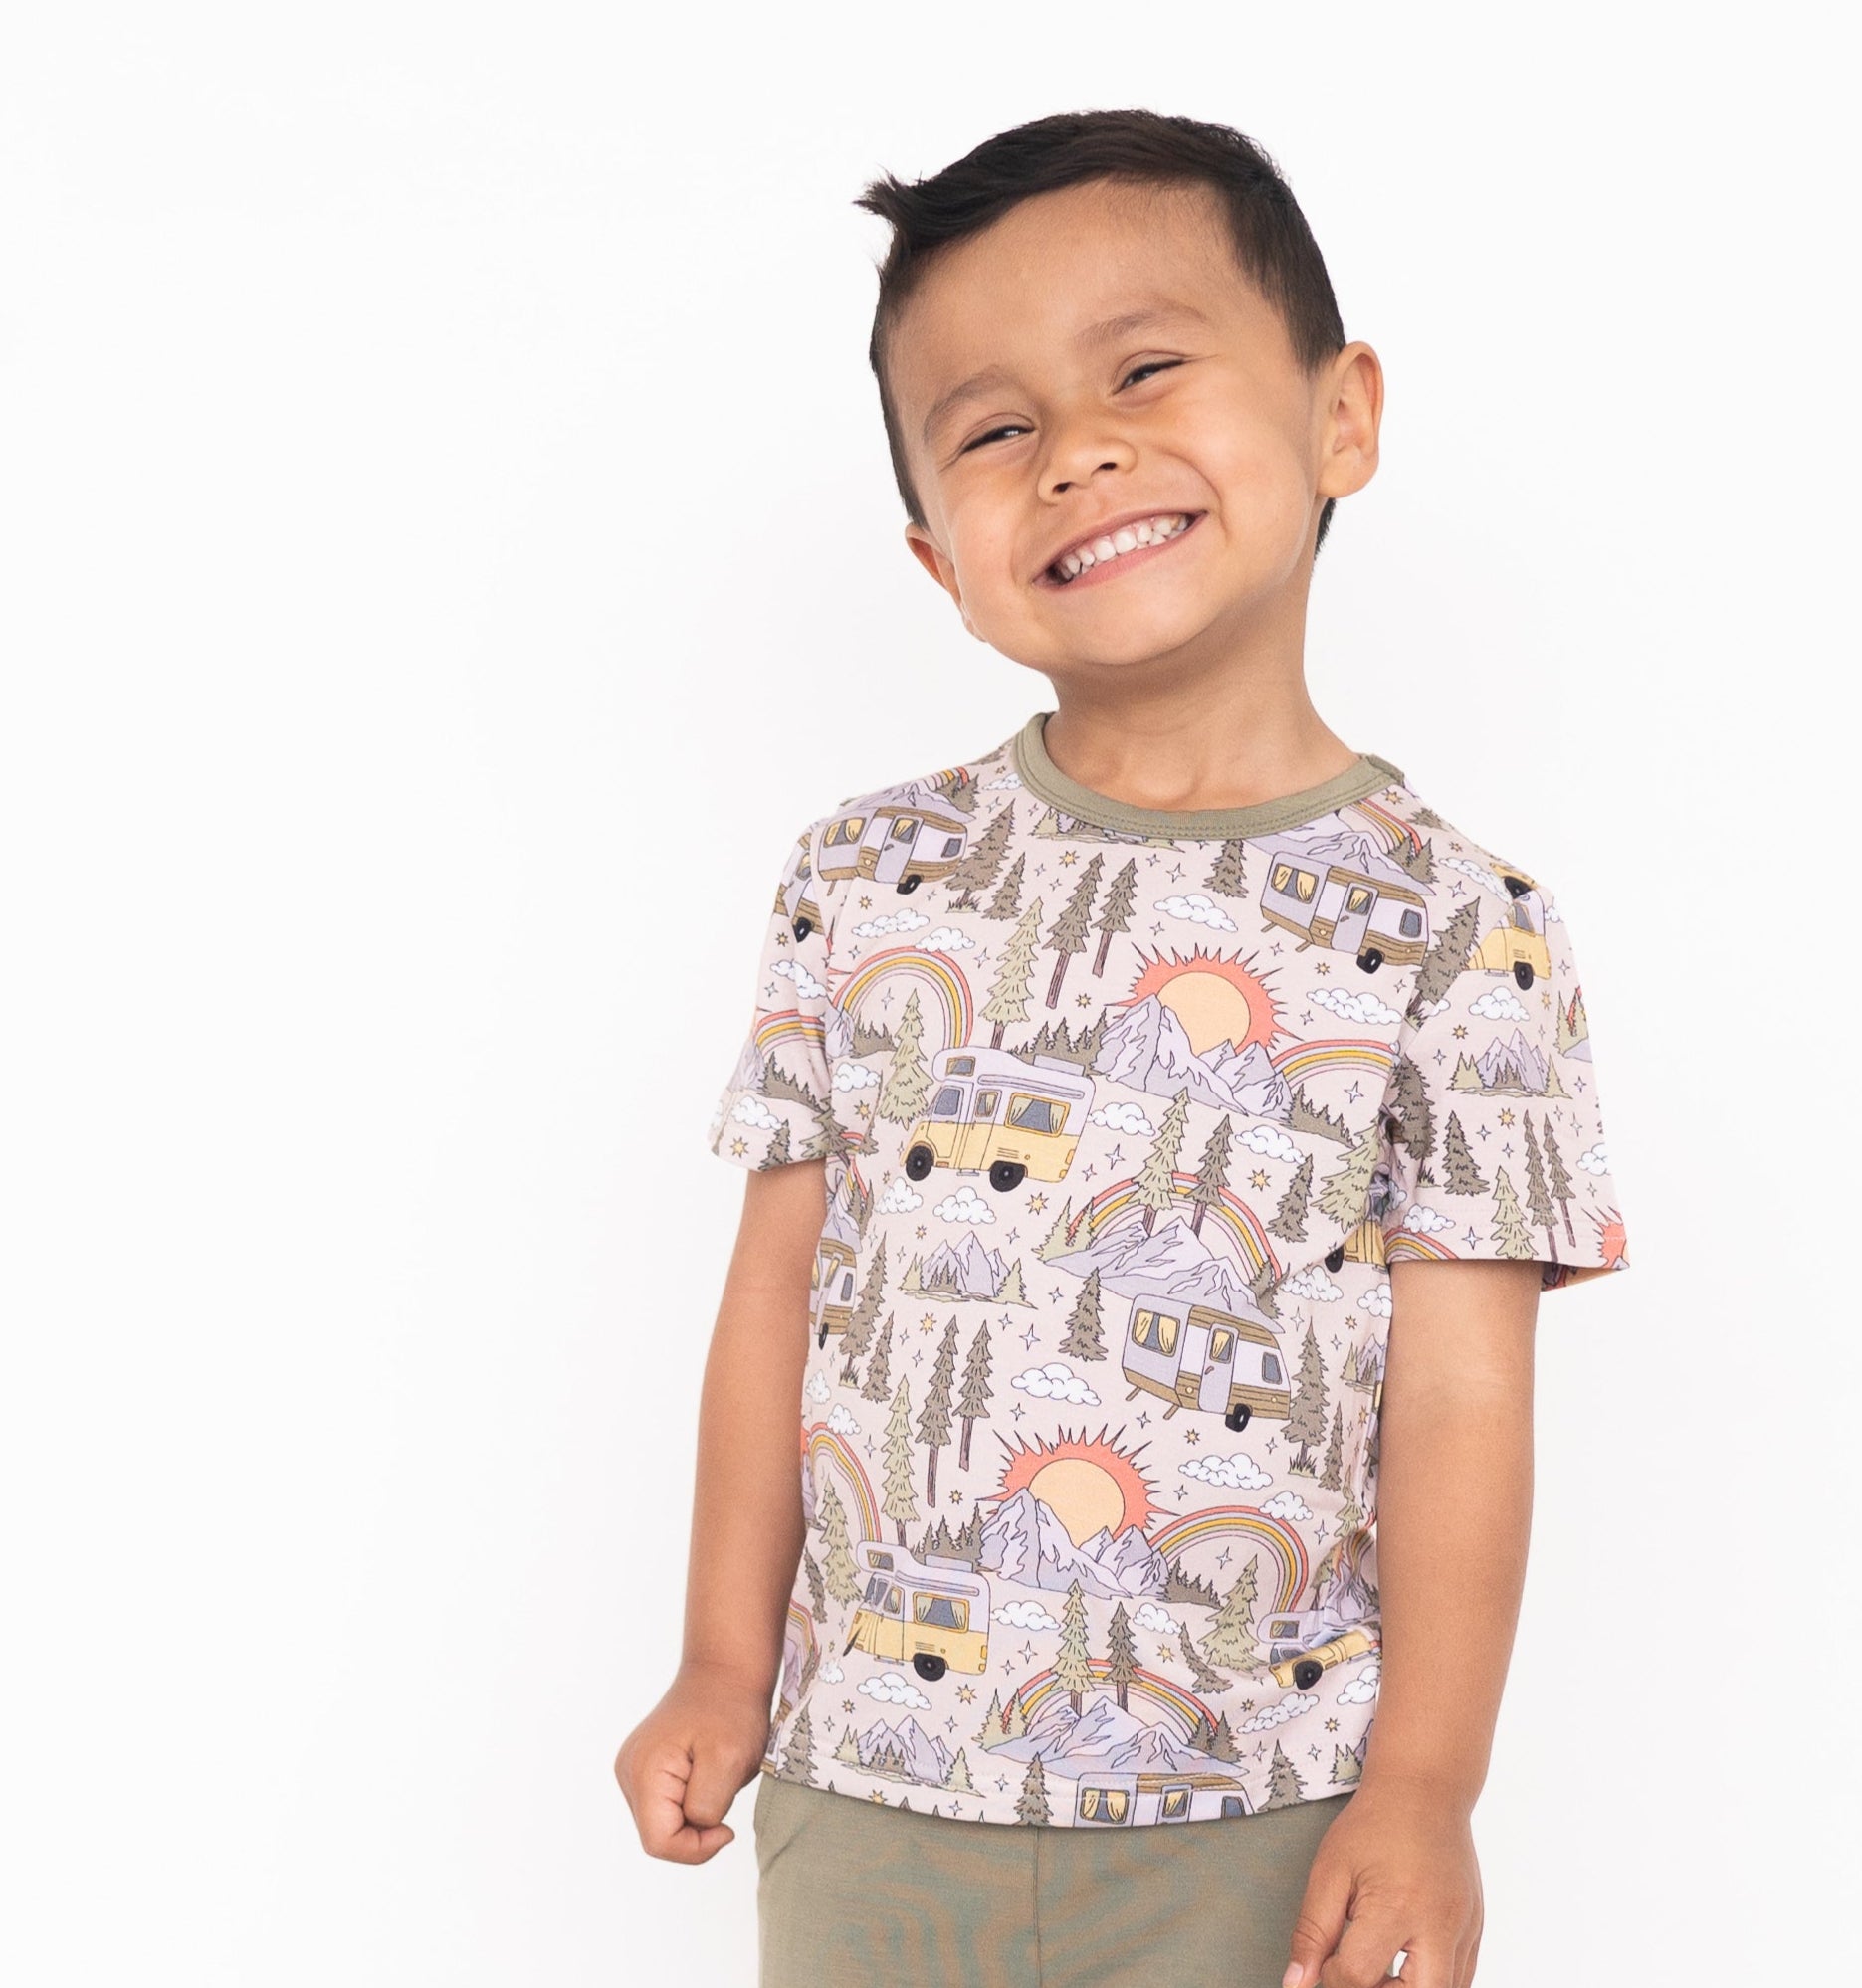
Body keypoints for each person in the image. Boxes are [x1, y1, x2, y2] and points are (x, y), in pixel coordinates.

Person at [615, 108, 1632, 1988]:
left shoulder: (1458, 925)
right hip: (872, 1796)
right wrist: (713, 1658)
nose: (1075, 450)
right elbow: (776, 1302)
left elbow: (1463, 1399)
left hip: (1259, 1817)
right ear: (938, 557)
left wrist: (1425, 1785)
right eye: (993, 430)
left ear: (1342, 417)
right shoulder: (863, 877)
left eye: (1145, 371)